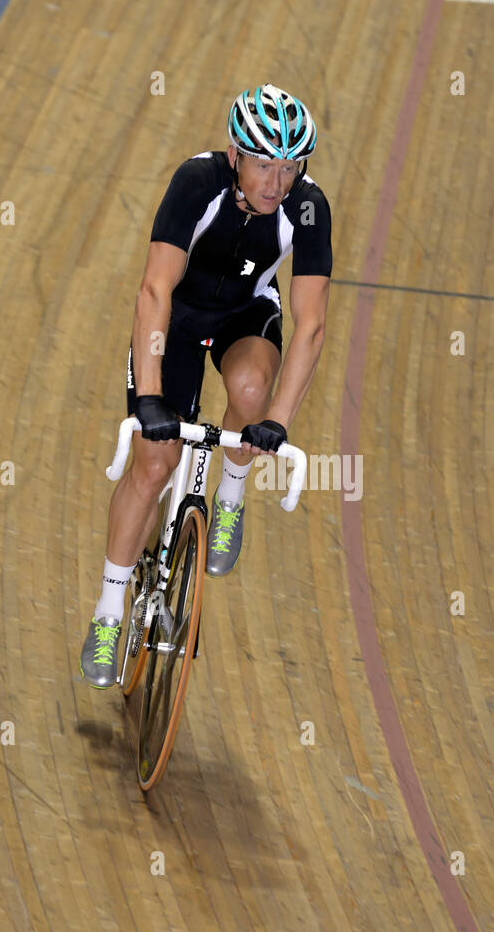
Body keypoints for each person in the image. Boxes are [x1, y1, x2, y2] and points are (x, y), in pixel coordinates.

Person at [80, 83, 333, 687]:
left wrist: (278, 423)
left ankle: (231, 495)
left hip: (246, 315)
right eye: (264, 165)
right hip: (179, 319)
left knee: (250, 391)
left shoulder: (308, 207)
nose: (277, 182)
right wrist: (147, 397)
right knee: (154, 461)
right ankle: (109, 611)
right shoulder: (197, 184)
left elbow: (312, 323)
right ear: (235, 155)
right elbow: (154, 292)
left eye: (290, 166)